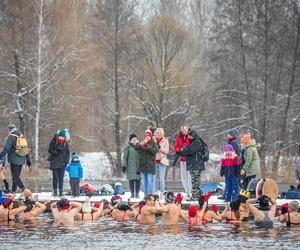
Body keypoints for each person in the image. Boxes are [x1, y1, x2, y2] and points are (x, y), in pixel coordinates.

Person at [176, 129, 209, 201]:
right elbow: (189, 150)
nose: (188, 137)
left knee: (195, 181)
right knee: (196, 180)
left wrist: (181, 152)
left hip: (196, 164)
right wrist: (181, 152)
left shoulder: (197, 142)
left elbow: (190, 151)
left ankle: (195, 196)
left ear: (193, 135)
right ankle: (200, 196)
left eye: (190, 136)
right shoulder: (193, 142)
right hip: (194, 164)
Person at [0, 124, 31, 193]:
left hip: (14, 160)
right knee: (16, 176)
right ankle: (13, 191)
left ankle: (24, 190)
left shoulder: (11, 137)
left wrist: (1, 156)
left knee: (15, 177)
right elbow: (26, 148)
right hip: (22, 159)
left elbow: (6, 148)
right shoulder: (21, 136)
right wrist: (28, 159)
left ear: (9, 130)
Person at [136, 130, 158, 196]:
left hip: (150, 165)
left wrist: (148, 147)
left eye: (149, 135)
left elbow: (154, 151)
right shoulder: (142, 143)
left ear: (151, 136)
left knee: (150, 181)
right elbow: (137, 150)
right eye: (146, 135)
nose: (147, 137)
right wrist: (139, 145)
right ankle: (145, 195)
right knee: (143, 181)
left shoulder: (154, 143)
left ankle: (150, 195)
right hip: (142, 165)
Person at [48, 130, 70, 197]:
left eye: (63, 137)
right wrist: (55, 151)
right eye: (60, 137)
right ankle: (55, 192)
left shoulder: (66, 143)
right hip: (55, 163)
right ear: (58, 136)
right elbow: (49, 150)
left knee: (61, 178)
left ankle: (60, 192)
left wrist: (66, 162)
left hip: (62, 163)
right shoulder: (54, 141)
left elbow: (68, 153)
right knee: (55, 178)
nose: (61, 138)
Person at [174, 126, 192, 198]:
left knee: (189, 177)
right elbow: (176, 147)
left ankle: (190, 191)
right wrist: (179, 149)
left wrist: (186, 148)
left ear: (188, 130)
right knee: (183, 177)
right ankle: (187, 192)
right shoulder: (179, 137)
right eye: (183, 130)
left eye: (185, 130)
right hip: (182, 159)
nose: (184, 131)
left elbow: (192, 147)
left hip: (189, 159)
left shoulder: (190, 136)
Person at [122, 134, 140, 198]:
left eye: (135, 138)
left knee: (138, 180)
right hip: (130, 166)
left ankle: (137, 194)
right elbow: (125, 157)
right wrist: (123, 165)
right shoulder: (128, 147)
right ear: (130, 140)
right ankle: (132, 194)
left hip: (138, 166)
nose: (134, 140)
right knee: (131, 180)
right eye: (133, 139)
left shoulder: (140, 146)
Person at [154, 128, 169, 199]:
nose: (159, 134)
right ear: (155, 134)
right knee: (155, 178)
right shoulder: (153, 140)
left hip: (162, 162)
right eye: (158, 133)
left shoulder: (165, 141)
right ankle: (156, 193)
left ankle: (162, 193)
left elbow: (167, 151)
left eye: (160, 133)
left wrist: (160, 147)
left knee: (161, 178)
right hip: (154, 161)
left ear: (163, 134)